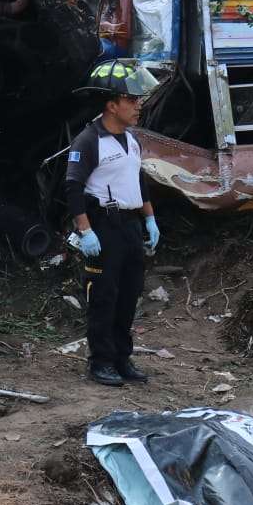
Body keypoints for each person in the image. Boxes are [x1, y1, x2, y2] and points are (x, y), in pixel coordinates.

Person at [64, 59, 162, 387]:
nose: (138, 106)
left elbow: (139, 180)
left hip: (130, 226)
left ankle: (122, 358)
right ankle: (100, 362)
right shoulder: (89, 140)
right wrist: (86, 231)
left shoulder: (131, 140)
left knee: (129, 294)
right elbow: (73, 188)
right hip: (103, 227)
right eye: (132, 100)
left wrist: (150, 220)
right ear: (111, 105)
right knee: (103, 297)